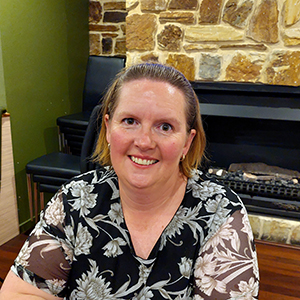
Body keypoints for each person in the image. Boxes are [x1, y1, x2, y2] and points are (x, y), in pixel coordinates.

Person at [0, 62, 259, 299]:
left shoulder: (221, 214)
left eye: (165, 126)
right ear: (108, 129)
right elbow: (19, 292)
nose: (144, 141)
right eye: (130, 121)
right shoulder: (75, 199)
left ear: (187, 143)